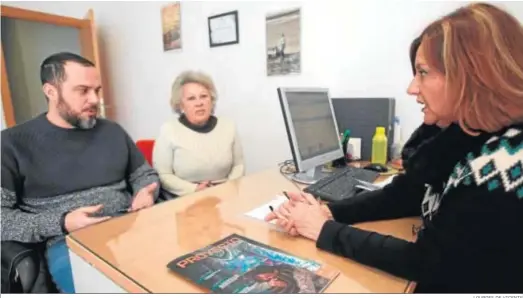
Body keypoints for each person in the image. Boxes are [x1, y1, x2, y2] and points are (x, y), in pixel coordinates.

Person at [265, 2, 523, 293]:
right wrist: (330, 212)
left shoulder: (507, 162)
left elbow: (429, 261)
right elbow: (407, 194)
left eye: (423, 72)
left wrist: (323, 230)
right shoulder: (467, 135)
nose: (412, 88)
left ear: (470, 76)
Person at [1, 52, 160, 293]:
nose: (95, 99)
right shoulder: (12, 143)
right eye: (83, 90)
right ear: (51, 91)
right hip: (68, 244)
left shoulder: (113, 131)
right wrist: (62, 222)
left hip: (132, 229)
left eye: (97, 90)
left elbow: (144, 175)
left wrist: (145, 193)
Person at [153, 70, 245, 197]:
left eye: (204, 96)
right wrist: (194, 189)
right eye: (191, 98)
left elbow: (238, 166)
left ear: (211, 100)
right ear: (181, 105)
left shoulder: (229, 126)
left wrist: (229, 187)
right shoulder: (168, 130)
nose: (199, 103)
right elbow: (164, 175)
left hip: (225, 194)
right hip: (185, 197)